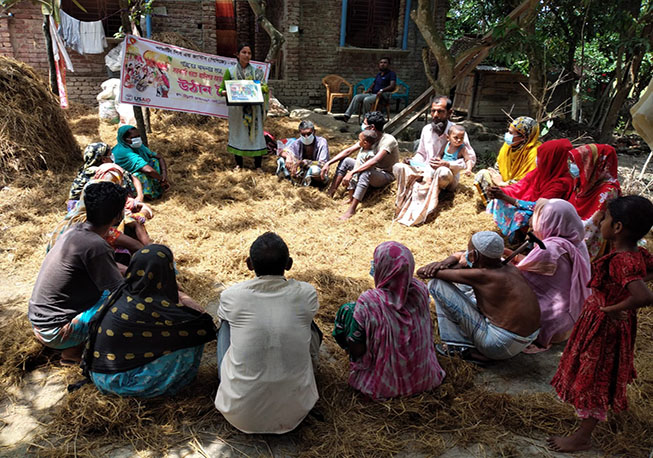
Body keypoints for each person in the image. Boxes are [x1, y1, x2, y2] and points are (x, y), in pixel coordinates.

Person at [548, 196, 653, 453]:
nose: (601, 222)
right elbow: (646, 275)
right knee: (596, 373)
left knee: (595, 378)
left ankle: (583, 437)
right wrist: (621, 296)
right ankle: (586, 424)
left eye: (604, 218)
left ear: (617, 227)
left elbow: (643, 296)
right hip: (609, 321)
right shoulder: (637, 253)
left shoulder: (622, 261)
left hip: (605, 326)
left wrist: (612, 307)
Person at [215, 232, 322, 434]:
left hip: (240, 412)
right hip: (297, 410)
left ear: (249, 264)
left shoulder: (232, 296)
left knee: (226, 325)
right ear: (289, 264)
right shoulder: (306, 293)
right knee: (307, 322)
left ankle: (230, 381)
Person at [84, 245, 216, 398]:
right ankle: (172, 385)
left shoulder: (126, 291)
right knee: (192, 337)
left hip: (99, 372)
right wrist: (186, 299)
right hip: (120, 384)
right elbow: (201, 322)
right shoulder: (153, 306)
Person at [28, 182, 127, 364]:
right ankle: (73, 353)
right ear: (117, 215)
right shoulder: (96, 246)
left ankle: (72, 343)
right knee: (125, 308)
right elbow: (120, 291)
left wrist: (132, 271)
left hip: (41, 321)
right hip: (57, 331)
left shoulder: (75, 230)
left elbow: (109, 267)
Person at [333, 241, 446, 399]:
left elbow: (357, 348)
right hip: (426, 379)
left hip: (385, 386)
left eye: (375, 263)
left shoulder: (369, 302)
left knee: (347, 310)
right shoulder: (420, 290)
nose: (373, 266)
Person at [417, 231, 540, 363]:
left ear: (473, 256)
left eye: (469, 252)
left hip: (499, 346)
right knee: (464, 287)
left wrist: (442, 264)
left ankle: (459, 348)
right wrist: (448, 261)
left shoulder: (482, 275)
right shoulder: (507, 266)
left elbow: (423, 272)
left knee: (437, 285)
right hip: (526, 338)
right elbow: (461, 255)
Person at [508, 199, 591, 351]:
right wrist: (511, 255)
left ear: (550, 221)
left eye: (541, 217)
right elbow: (537, 267)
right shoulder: (577, 240)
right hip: (572, 318)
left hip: (550, 325)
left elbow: (519, 277)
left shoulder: (551, 248)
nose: (535, 222)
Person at [394, 103, 476, 226]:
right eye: (433, 111)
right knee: (398, 167)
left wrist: (447, 164)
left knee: (441, 172)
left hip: (447, 175)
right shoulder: (426, 129)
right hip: (428, 169)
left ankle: (428, 208)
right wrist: (412, 161)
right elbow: (421, 153)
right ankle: (404, 208)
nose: (435, 115)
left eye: (440, 111)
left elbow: (470, 160)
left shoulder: (458, 132)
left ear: (449, 112)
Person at [486, 139, 574, 241]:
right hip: (527, 203)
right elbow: (520, 186)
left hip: (543, 214)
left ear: (552, 159)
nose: (537, 159)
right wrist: (500, 191)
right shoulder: (539, 172)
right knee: (499, 200)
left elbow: (539, 207)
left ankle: (521, 238)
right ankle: (513, 232)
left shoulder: (561, 183)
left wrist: (505, 196)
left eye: (541, 157)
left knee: (521, 215)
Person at [322, 111, 399, 220]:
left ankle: (352, 209)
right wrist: (328, 163)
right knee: (346, 161)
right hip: (372, 169)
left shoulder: (388, 140)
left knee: (365, 172)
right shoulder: (367, 138)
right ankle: (331, 193)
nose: (362, 126)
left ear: (372, 127)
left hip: (384, 174)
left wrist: (353, 172)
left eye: (364, 124)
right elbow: (348, 151)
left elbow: (375, 160)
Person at [218, 43, 268, 171]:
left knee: (256, 135)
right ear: (237, 54)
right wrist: (225, 92)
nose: (247, 55)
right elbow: (221, 89)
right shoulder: (230, 71)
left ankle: (258, 166)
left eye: (249, 53)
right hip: (237, 110)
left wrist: (257, 88)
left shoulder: (257, 72)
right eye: (244, 52)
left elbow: (264, 87)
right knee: (238, 134)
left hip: (254, 109)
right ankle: (239, 164)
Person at [567, 144, 621, 260]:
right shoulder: (582, 182)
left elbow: (593, 224)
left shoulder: (608, 191)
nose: (573, 166)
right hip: (572, 226)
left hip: (590, 234)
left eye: (578, 163)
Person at [474, 116, 540, 201]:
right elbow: (499, 166)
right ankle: (491, 206)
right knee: (483, 174)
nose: (507, 135)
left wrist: (502, 184)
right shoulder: (508, 146)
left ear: (523, 137)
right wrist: (496, 176)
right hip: (504, 184)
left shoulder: (534, 152)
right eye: (508, 131)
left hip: (521, 190)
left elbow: (527, 182)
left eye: (511, 133)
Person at [112, 125, 169, 199]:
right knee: (139, 176)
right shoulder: (124, 152)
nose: (137, 139)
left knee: (154, 161)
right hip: (125, 179)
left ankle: (156, 186)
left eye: (138, 136)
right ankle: (147, 195)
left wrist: (164, 175)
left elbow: (158, 157)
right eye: (134, 137)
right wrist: (161, 179)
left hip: (137, 170)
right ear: (125, 139)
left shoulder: (139, 147)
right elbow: (148, 170)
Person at [338, 58, 396, 123]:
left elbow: (392, 86)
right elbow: (374, 83)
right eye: (381, 62)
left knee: (366, 100)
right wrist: (369, 89)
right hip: (373, 94)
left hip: (382, 95)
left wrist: (382, 90)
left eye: (385, 63)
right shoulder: (379, 74)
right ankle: (346, 116)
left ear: (388, 65)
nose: (382, 64)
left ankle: (366, 119)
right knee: (357, 97)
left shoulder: (391, 74)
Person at [276, 120, 329, 186]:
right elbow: (282, 152)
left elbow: (323, 163)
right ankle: (290, 180)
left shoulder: (322, 142)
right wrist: (288, 157)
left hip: (317, 172)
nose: (306, 137)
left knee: (314, 170)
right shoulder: (298, 142)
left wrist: (303, 162)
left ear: (314, 132)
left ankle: (312, 184)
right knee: (281, 160)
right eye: (303, 134)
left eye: (309, 134)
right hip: (301, 171)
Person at [67, 142, 113, 210]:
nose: (112, 156)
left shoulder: (85, 169)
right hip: (80, 207)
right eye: (110, 154)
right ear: (103, 159)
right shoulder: (98, 172)